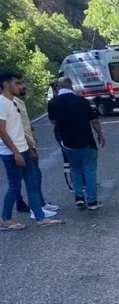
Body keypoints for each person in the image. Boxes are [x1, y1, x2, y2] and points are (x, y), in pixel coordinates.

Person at [0, 70, 62, 230]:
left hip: (24, 149)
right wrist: (15, 152)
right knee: (14, 186)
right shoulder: (1, 103)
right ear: (6, 84)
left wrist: (29, 144)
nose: (22, 86)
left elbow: (18, 127)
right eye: (18, 83)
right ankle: (5, 219)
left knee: (32, 183)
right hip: (11, 153)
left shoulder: (13, 101)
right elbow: (1, 130)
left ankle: (40, 217)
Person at [48, 77, 105, 210]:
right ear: (71, 85)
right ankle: (92, 201)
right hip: (86, 141)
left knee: (75, 169)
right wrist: (100, 134)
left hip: (67, 142)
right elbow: (94, 120)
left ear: (58, 87)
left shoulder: (53, 103)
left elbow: (53, 121)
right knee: (89, 170)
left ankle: (79, 198)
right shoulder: (82, 101)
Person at [14, 86, 59, 219]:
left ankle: (40, 203)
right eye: (18, 83)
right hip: (23, 146)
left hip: (27, 143)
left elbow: (23, 124)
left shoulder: (17, 101)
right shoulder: (10, 103)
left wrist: (30, 131)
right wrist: (30, 146)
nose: (22, 86)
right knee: (29, 178)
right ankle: (35, 209)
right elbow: (15, 127)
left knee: (35, 175)